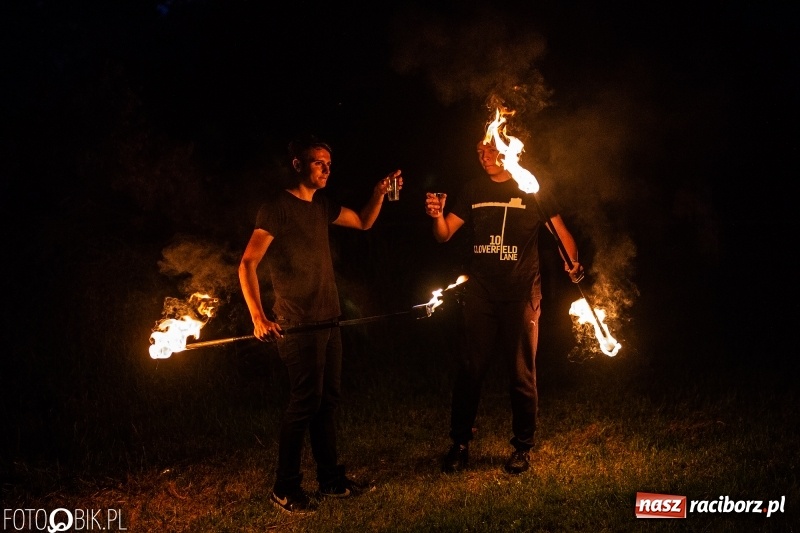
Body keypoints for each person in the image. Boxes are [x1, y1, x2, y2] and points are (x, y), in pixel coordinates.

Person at [239, 135, 402, 514]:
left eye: (330, 163)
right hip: (297, 324)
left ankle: (330, 479)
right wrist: (259, 317)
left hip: (329, 320)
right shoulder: (276, 208)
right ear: (298, 165)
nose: (327, 169)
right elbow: (247, 263)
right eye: (318, 163)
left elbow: (362, 222)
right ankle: (284, 487)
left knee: (327, 402)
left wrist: (379, 193)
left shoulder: (322, 205)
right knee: (304, 403)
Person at [424, 136, 583, 475]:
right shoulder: (472, 190)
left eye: (491, 149)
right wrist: (437, 216)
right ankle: (460, 443)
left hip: (522, 292)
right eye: (479, 152)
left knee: (521, 374)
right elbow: (444, 234)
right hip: (481, 293)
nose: (484, 157)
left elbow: (560, 232)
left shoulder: (531, 187)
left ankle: (522, 447)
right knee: (470, 370)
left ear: (508, 148)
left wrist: (573, 262)